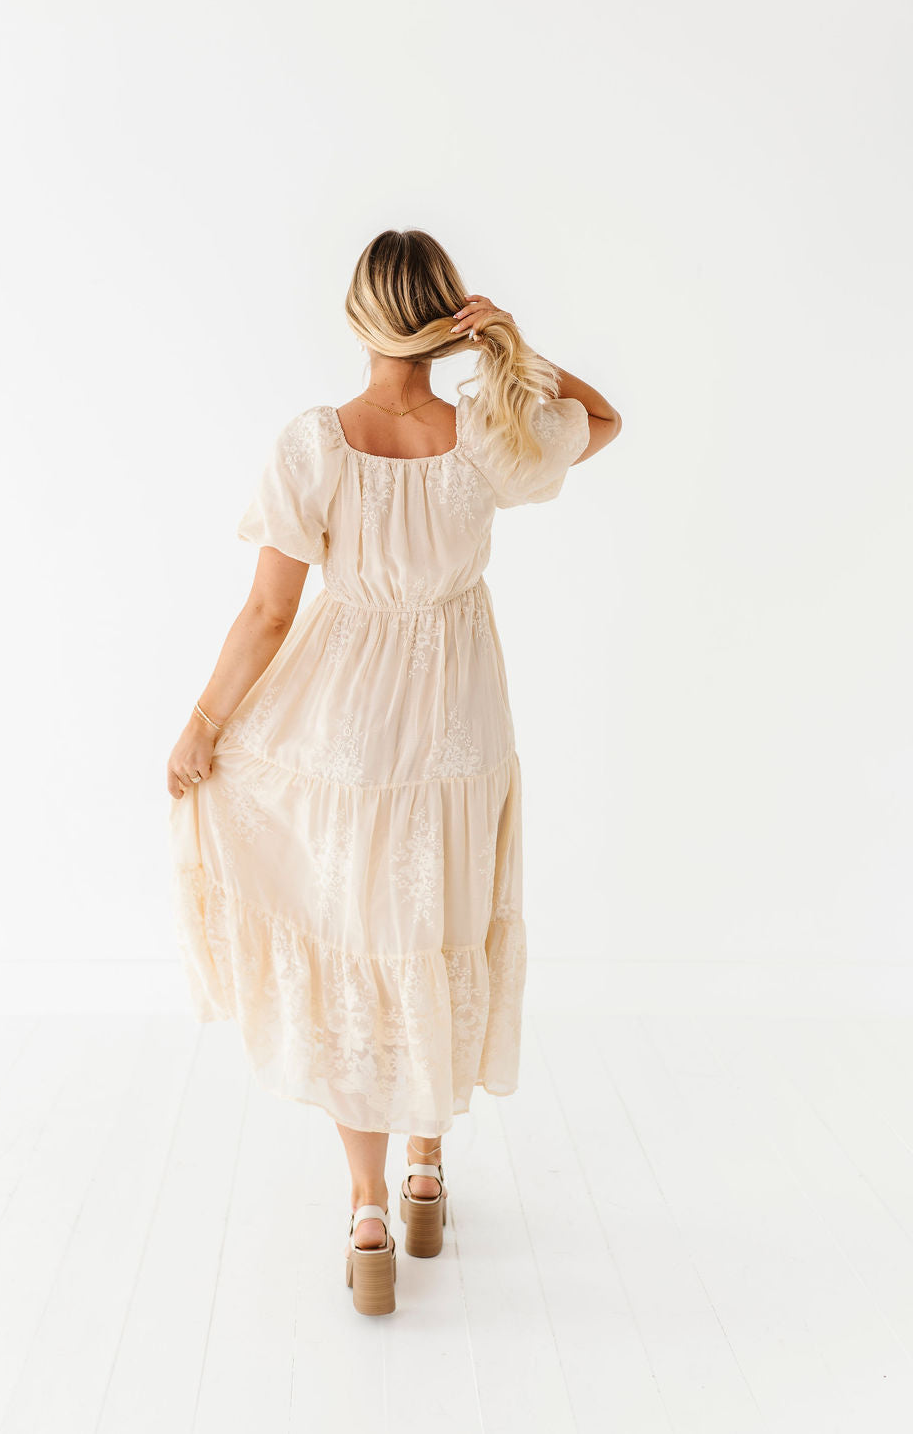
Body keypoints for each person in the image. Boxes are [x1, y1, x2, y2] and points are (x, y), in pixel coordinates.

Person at [167, 228, 622, 1315]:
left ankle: (368, 1209)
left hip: (349, 729)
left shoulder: (317, 444)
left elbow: (269, 611)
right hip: (461, 723)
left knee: (363, 937)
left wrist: (204, 724)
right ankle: (425, 1172)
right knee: (440, 923)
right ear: (445, 320)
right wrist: (510, 344)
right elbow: (601, 422)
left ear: (358, 316)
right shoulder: (486, 433)